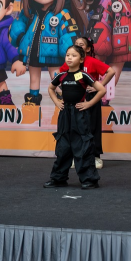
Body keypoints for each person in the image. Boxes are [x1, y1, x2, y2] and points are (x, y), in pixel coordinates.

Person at [44, 46, 106, 190]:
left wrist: (89, 103)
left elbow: (101, 90)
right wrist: (57, 102)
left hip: (80, 114)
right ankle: (58, 178)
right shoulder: (61, 75)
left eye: (74, 55)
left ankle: (89, 180)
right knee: (63, 146)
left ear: (81, 59)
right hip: (65, 114)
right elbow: (51, 88)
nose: (70, 58)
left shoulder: (84, 75)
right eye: (68, 55)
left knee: (83, 145)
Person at [57, 37, 115, 169]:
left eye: (81, 44)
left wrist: (100, 85)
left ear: (88, 49)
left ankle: (95, 156)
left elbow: (111, 71)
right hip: (76, 99)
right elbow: (61, 76)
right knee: (75, 127)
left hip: (90, 97)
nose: (78, 46)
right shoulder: (69, 63)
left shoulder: (92, 61)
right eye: (76, 44)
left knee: (92, 126)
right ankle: (76, 156)